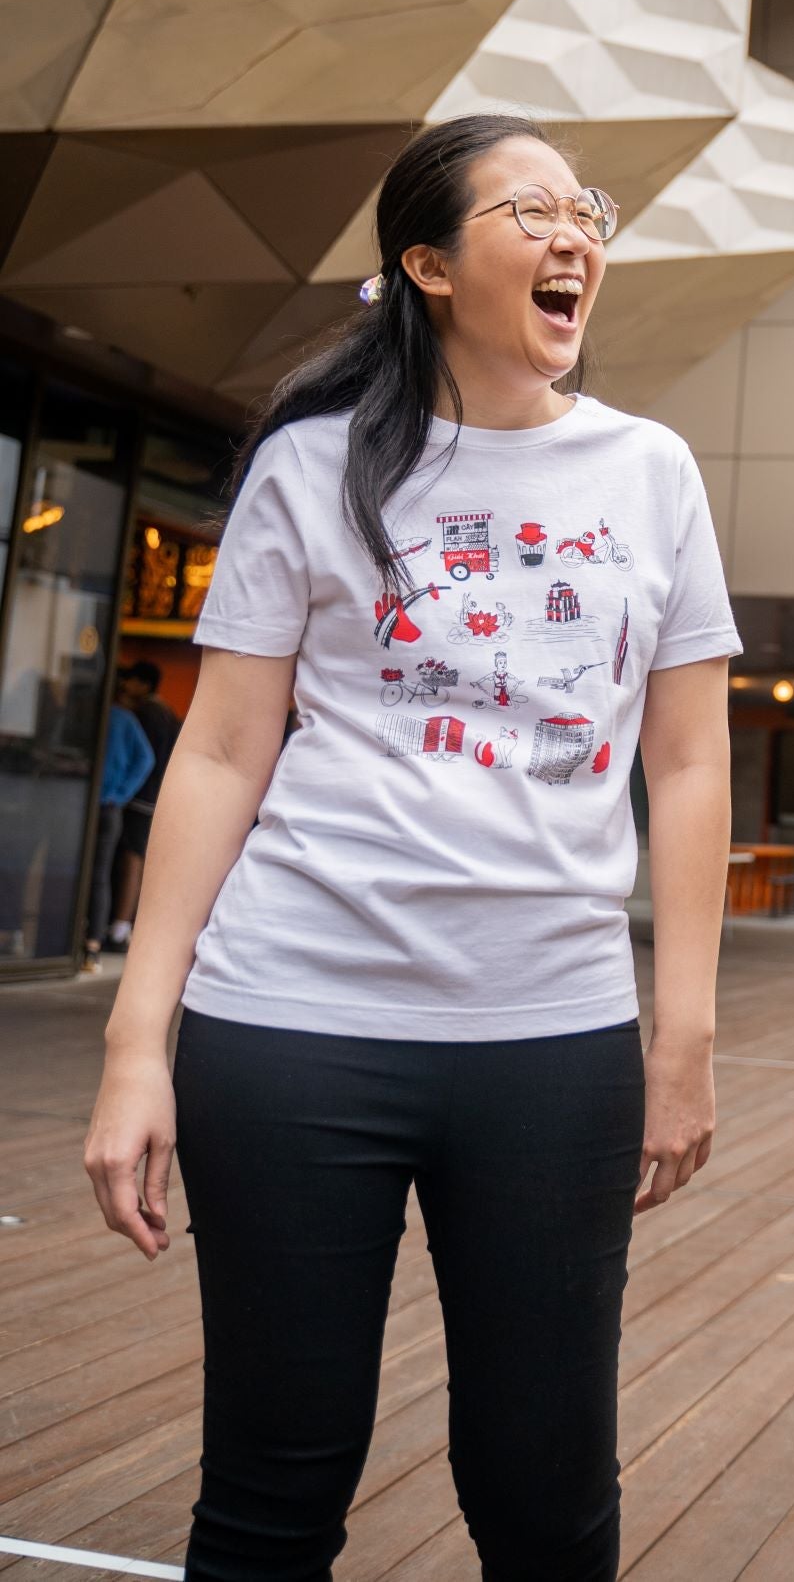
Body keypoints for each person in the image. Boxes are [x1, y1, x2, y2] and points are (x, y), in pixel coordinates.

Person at [85, 115, 738, 1582]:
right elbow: (223, 750)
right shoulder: (314, 469)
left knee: (545, 1491)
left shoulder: (651, 471)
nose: (576, 235)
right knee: (274, 1486)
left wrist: (681, 1036)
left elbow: (689, 764)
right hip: (291, 1023)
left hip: (553, 1036)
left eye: (589, 211)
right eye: (532, 209)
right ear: (430, 265)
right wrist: (139, 1043)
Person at [106, 661, 181, 950]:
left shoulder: (147, 714)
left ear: (145, 685)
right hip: (152, 797)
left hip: (140, 798)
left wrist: (123, 793)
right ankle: (123, 926)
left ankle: (120, 926)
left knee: (131, 859)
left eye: (132, 680)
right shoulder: (165, 714)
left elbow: (143, 759)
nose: (126, 686)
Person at [83, 701, 155, 972]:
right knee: (99, 874)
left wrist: (120, 794)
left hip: (91, 803)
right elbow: (145, 759)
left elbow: (146, 759)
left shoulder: (100, 714)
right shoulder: (123, 717)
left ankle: (87, 943)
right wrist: (120, 795)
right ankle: (92, 947)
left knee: (91, 873)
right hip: (106, 804)